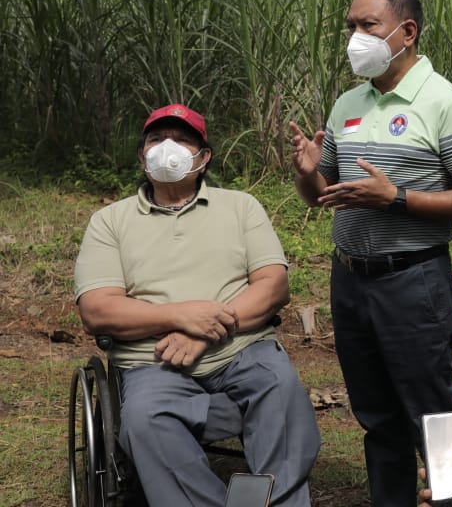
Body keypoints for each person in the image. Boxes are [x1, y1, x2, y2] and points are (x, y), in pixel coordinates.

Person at [289, 0, 452, 506]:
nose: (355, 37)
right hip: (351, 280)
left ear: (406, 32)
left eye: (368, 26)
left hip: (413, 281)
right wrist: (309, 174)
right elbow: (323, 196)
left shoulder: (445, 102)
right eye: (350, 27)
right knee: (377, 416)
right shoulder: (348, 104)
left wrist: (396, 198)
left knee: (432, 413)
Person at [74, 103, 321, 507]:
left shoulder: (241, 207)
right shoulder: (109, 221)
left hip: (242, 350)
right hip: (153, 361)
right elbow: (98, 310)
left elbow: (273, 286)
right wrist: (180, 316)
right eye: (156, 139)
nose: (166, 147)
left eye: (181, 140)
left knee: (280, 388)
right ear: (142, 157)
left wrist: (208, 331)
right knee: (145, 419)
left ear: (203, 158)